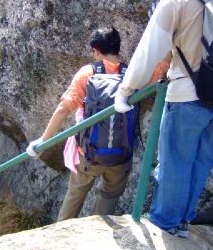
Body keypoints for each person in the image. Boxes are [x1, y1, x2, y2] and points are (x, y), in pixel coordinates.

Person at [114, 0, 213, 238]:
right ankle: (183, 221)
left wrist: (126, 90)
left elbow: (150, 50)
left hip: (189, 96)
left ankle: (166, 222)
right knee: (201, 162)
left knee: (175, 163)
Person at [26, 27, 168, 221]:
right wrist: (170, 35)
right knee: (110, 194)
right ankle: (95, 230)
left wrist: (42, 140)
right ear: (118, 47)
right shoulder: (133, 74)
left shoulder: (88, 74)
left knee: (75, 193)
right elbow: (163, 69)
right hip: (121, 155)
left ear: (96, 51)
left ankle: (61, 230)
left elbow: (63, 109)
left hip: (88, 156)